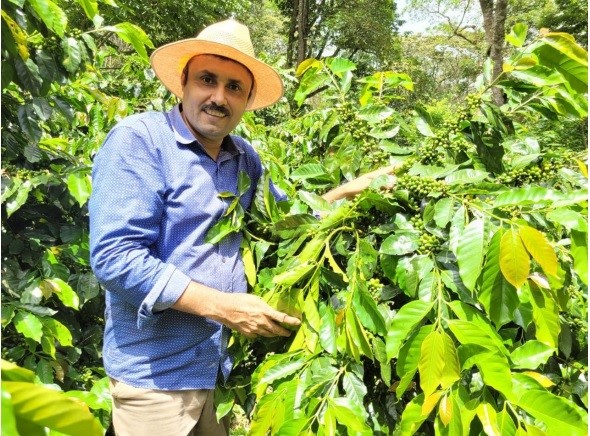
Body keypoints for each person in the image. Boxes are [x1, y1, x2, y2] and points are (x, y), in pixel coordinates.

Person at [89, 19, 394, 436]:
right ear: (183, 83)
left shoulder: (244, 157)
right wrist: (225, 307)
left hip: (216, 368)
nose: (219, 97)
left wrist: (352, 191)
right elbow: (115, 259)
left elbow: (281, 224)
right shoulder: (140, 141)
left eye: (234, 87)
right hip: (155, 377)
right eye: (208, 80)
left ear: (248, 99)